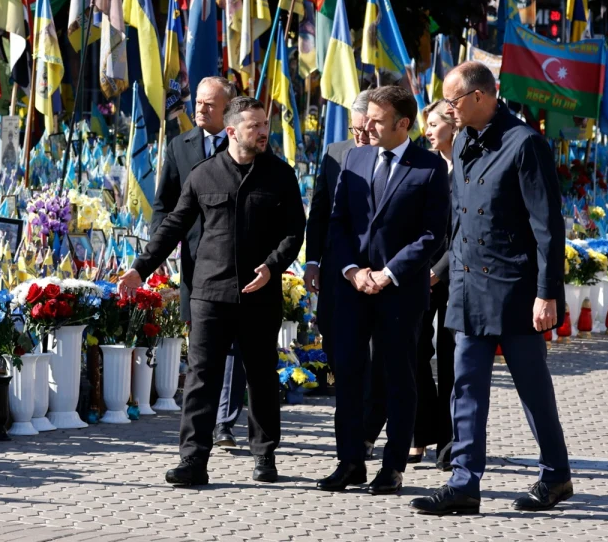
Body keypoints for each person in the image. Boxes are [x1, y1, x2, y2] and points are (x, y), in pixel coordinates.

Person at [411, 62, 571, 515]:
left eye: (453, 101)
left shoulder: (525, 144)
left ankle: (556, 476)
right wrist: (443, 270)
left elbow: (548, 227)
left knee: (532, 389)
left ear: (479, 96)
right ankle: (464, 483)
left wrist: (547, 293)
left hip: (515, 290)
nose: (448, 110)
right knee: (464, 386)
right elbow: (459, 219)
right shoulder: (463, 139)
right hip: (467, 287)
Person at [120, 96, 306, 486]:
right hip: (210, 293)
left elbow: (294, 232)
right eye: (255, 126)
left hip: (260, 294)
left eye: (265, 125)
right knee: (202, 377)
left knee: (261, 377)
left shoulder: (280, 175)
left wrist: (272, 267)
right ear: (232, 130)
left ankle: (264, 455)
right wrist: (140, 269)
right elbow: (172, 227)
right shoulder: (204, 175)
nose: (263, 132)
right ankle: (193, 460)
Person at [319, 85, 449, 496]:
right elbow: (338, 221)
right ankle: (350, 462)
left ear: (402, 123)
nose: (367, 127)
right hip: (352, 289)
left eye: (377, 121)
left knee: (398, 378)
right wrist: (352, 270)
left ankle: (392, 467)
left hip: (400, 293)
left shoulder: (429, 167)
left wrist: (388, 274)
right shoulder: (355, 159)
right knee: (349, 376)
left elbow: (433, 234)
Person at [151, 77, 247, 450]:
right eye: (199, 103)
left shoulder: (244, 144)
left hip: (236, 260)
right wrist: (158, 249)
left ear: (228, 110)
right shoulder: (180, 146)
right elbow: (165, 204)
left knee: (234, 345)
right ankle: (199, 424)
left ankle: (225, 422)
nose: (200, 109)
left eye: (209, 104)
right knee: (202, 344)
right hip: (195, 260)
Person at [304, 89, 371, 364]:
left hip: (374, 268)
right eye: (355, 129)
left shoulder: (395, 156)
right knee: (331, 333)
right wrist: (312, 261)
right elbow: (319, 212)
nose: (360, 137)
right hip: (335, 265)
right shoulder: (335, 152)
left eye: (366, 130)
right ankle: (337, 384)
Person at [411, 100, 458, 468]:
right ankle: (420, 431)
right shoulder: (425, 165)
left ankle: (449, 441)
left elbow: (468, 228)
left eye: (433, 124)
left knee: (451, 357)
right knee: (414, 350)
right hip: (420, 272)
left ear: (453, 125)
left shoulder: (470, 166)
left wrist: (440, 269)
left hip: (458, 274)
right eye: (425, 125)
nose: (427, 131)